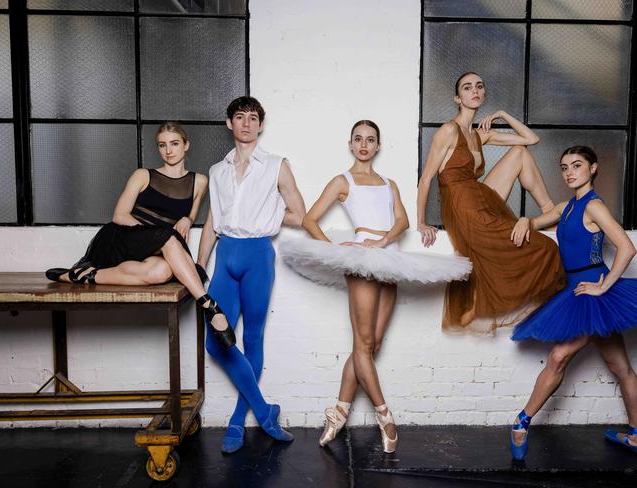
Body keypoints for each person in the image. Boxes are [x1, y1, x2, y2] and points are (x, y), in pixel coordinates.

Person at [286, 120, 470, 453]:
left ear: (378, 145)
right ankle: (385, 415)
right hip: (362, 263)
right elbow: (309, 219)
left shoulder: (389, 182)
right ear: (350, 143)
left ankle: (339, 412)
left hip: (390, 260)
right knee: (364, 342)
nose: (364, 145)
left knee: (372, 345)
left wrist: (385, 241)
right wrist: (334, 250)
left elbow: (401, 221)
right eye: (358, 139)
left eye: (370, 140)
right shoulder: (343, 181)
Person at [45, 122, 235, 347]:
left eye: (174, 144)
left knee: (160, 272)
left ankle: (85, 275)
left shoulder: (200, 181)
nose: (168, 150)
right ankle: (208, 305)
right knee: (168, 237)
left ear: (186, 146)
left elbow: (189, 215)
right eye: (162, 145)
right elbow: (120, 215)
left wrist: (188, 219)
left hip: (160, 246)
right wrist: (156, 234)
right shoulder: (143, 175)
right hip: (124, 238)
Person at [510, 146, 637, 459]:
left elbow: (626, 248)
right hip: (575, 290)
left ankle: (521, 421)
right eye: (565, 167)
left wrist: (603, 286)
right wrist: (526, 220)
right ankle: (636, 434)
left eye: (577, 165)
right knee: (621, 367)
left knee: (558, 356)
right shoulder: (567, 207)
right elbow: (539, 221)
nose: (569, 172)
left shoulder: (594, 207)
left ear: (593, 169)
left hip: (591, 292)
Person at [416, 72, 566, 333]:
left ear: (483, 93)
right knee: (546, 249)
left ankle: (549, 213)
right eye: (467, 87)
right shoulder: (449, 131)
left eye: (479, 86)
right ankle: (483, 305)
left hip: (479, 194)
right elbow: (426, 178)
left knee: (520, 152)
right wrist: (421, 222)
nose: (474, 91)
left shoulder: (479, 135)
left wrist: (502, 115)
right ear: (457, 97)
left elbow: (532, 140)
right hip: (461, 204)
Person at [197, 96, 306, 454]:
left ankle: (235, 420)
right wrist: (200, 266)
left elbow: (299, 213)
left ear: (261, 124)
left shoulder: (276, 165)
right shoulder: (217, 170)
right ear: (230, 123)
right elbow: (213, 219)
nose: (246, 123)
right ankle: (264, 411)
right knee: (216, 341)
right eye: (240, 117)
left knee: (253, 339)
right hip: (226, 253)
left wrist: (268, 218)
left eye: (253, 117)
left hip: (258, 254)